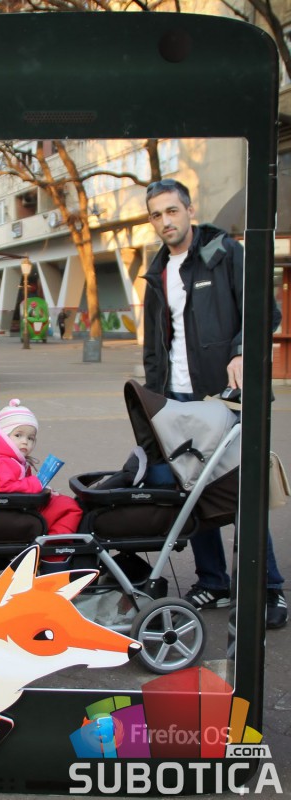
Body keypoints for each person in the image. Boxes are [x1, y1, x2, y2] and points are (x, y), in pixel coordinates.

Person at [142, 178, 287, 629]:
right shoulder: (156, 271)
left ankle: (268, 588)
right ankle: (213, 580)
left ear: (189, 210)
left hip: (226, 398)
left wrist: (241, 351)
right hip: (178, 398)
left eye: (171, 211)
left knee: (239, 491)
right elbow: (153, 347)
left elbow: (266, 311)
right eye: (156, 215)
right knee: (193, 491)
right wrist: (153, 402)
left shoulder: (224, 253)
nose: (165, 221)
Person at [0, 398, 83, 541]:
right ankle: (54, 548)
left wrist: (41, 487)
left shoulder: (10, 459)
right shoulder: (3, 461)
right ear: (3, 436)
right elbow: (3, 487)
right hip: (10, 511)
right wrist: (36, 484)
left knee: (62, 502)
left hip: (13, 508)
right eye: (18, 435)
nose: (25, 441)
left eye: (30, 438)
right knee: (70, 507)